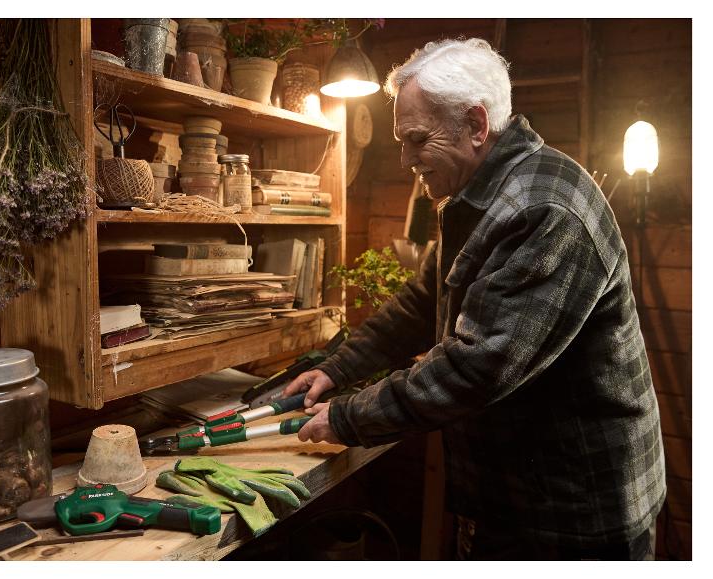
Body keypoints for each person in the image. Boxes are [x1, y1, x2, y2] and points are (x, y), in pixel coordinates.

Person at [284, 37, 666, 560]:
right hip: (511, 498)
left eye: (417, 139)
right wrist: (339, 368)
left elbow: (478, 365)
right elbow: (425, 301)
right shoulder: (479, 194)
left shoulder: (546, 209)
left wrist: (348, 417)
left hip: (575, 514)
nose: (405, 158)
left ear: (476, 126)